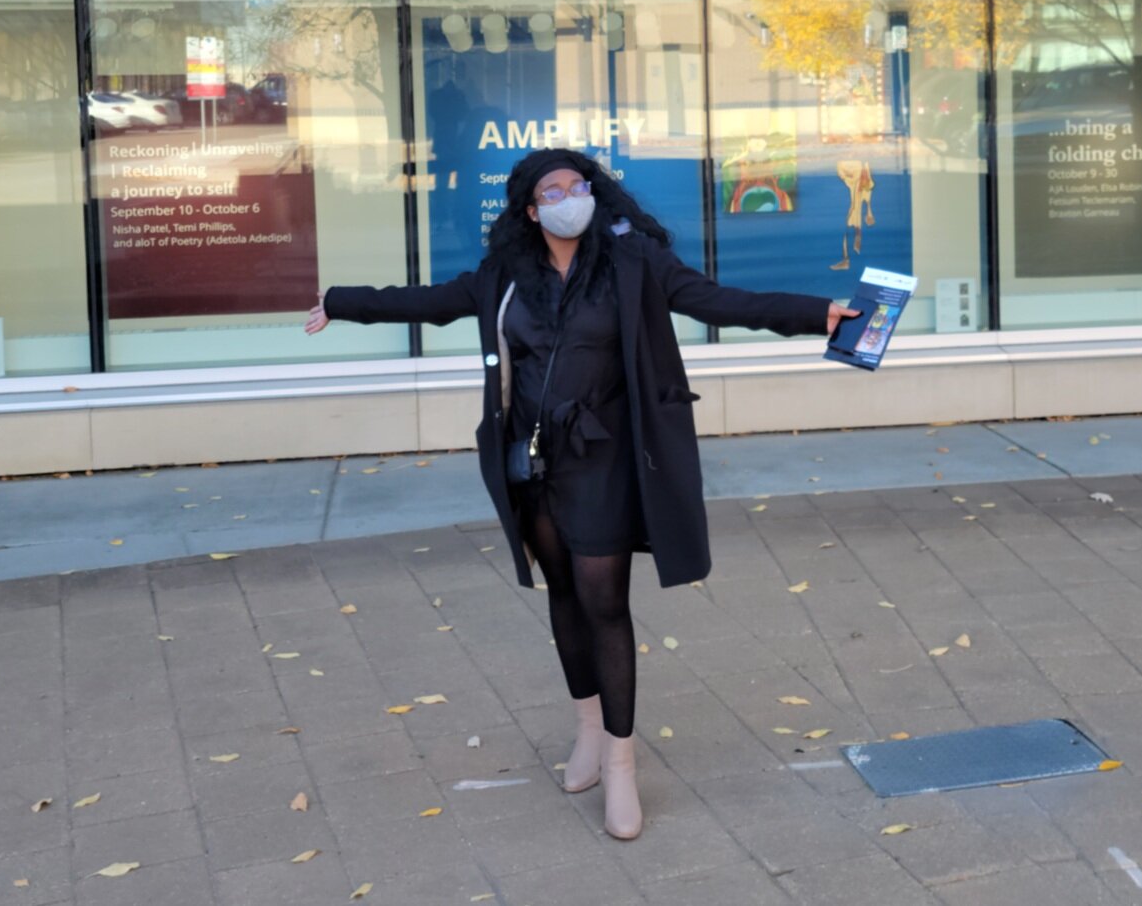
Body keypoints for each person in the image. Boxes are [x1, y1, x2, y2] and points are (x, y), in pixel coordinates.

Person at [305, 147, 858, 841]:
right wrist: (339, 302)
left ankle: (622, 763)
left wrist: (817, 313)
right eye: (554, 191)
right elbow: (428, 302)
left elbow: (720, 301)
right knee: (563, 593)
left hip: (604, 458)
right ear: (531, 211)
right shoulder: (505, 276)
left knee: (604, 603)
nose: (571, 198)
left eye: (579, 186)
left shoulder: (634, 263)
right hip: (533, 462)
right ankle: (589, 731)